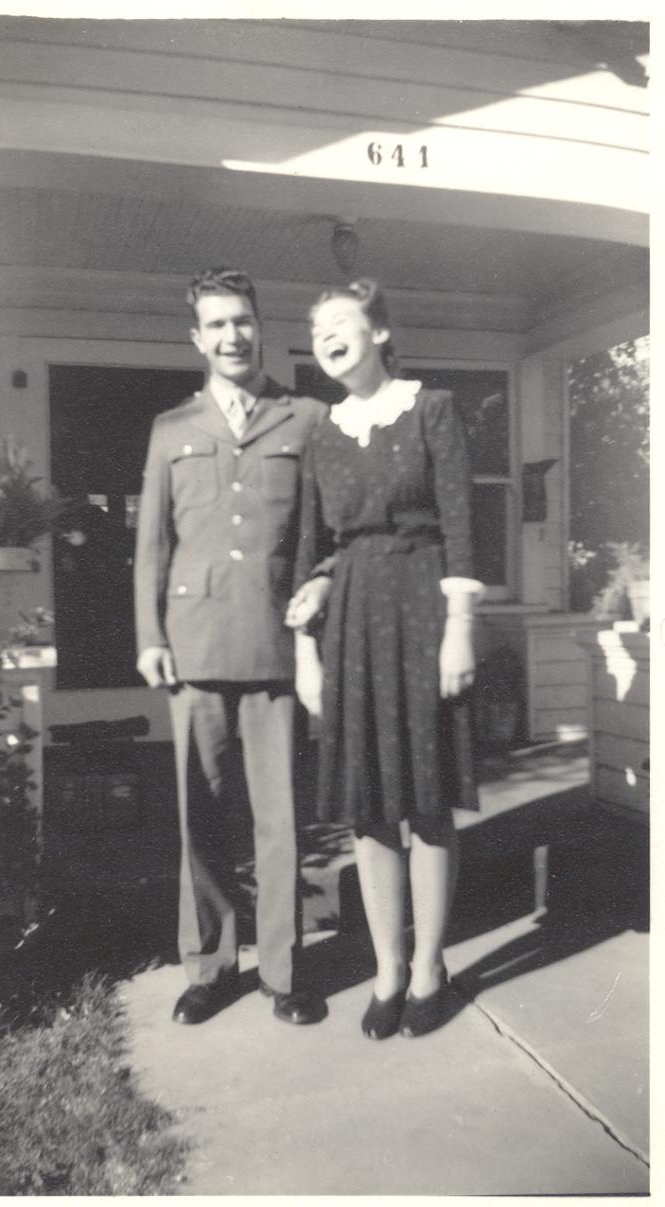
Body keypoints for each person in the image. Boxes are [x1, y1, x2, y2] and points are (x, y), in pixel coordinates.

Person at [286, 279, 482, 1040]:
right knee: (369, 803)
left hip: (423, 608)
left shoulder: (431, 408)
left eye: (343, 323)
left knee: (426, 798)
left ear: (380, 331)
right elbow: (313, 552)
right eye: (319, 329)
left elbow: (462, 523)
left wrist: (460, 628)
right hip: (353, 624)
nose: (329, 337)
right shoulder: (323, 432)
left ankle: (430, 964)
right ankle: (388, 969)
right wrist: (307, 655)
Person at [134, 267, 327, 1026]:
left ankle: (284, 973)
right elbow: (151, 546)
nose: (231, 336)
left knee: (279, 817)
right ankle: (210, 966)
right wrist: (149, 636)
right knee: (202, 815)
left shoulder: (304, 417)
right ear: (198, 338)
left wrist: (320, 586)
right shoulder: (171, 429)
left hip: (275, 643)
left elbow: (323, 532)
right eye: (216, 324)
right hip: (196, 645)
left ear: (258, 325)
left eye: (241, 320)